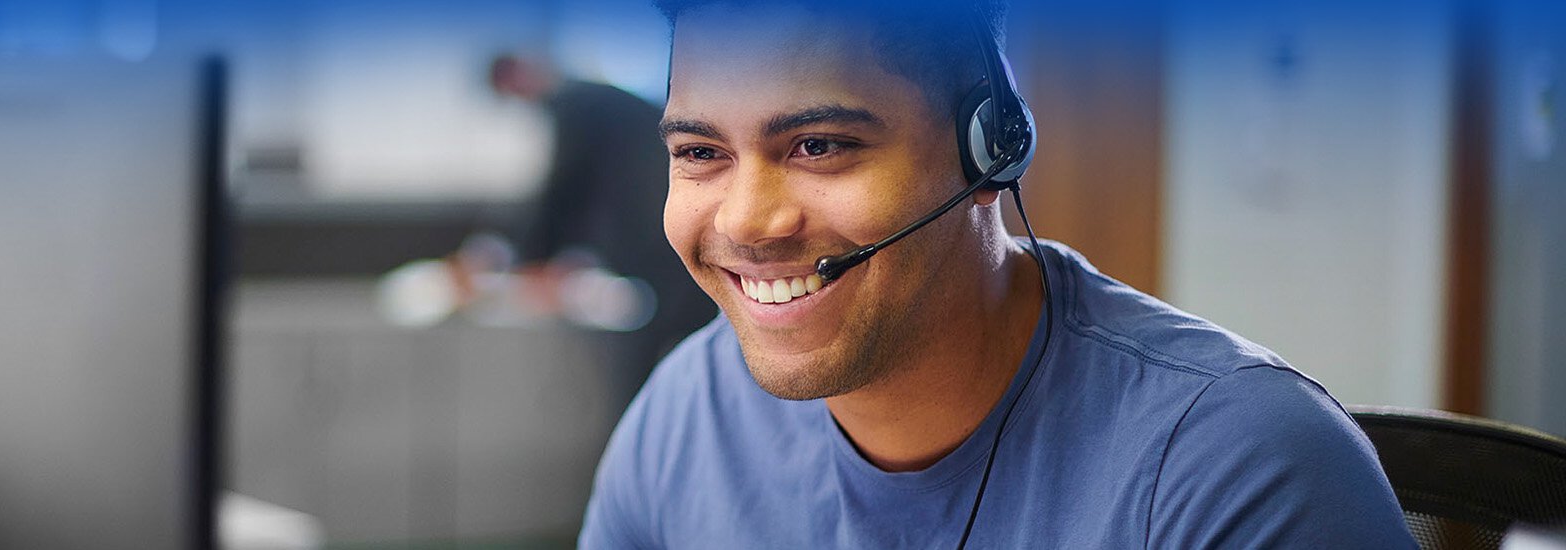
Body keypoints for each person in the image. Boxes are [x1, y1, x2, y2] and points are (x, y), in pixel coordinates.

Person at [578, 1, 1416, 547]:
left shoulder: (1242, 467)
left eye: (821, 145)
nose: (746, 222)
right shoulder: (683, 422)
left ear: (991, 148)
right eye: (700, 153)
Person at [480, 53, 718, 403]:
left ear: (514, 76)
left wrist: (523, 256)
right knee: (693, 355)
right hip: (673, 233)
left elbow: (562, 189)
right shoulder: (598, 99)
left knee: (641, 365)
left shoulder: (574, 104)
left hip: (652, 245)